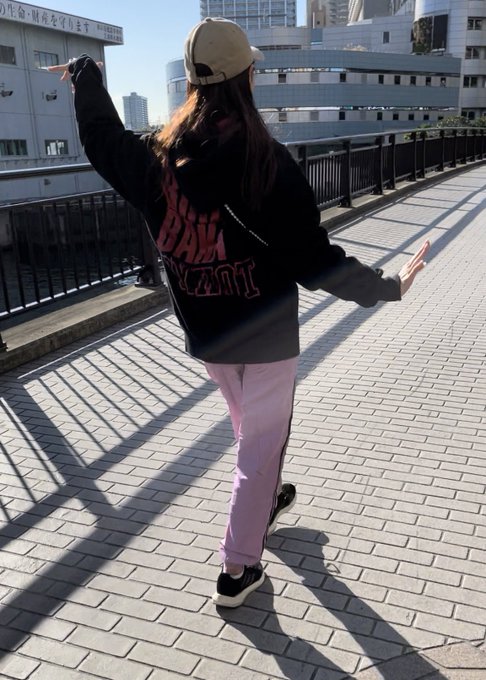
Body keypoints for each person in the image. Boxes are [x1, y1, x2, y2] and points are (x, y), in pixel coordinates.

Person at [48, 17, 430, 608]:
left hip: (208, 333)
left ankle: (265, 502)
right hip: (268, 334)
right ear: (247, 77)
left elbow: (100, 136)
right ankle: (236, 568)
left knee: (252, 438)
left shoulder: (155, 160)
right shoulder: (266, 163)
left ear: (192, 85)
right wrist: (387, 287)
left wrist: (85, 75)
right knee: (259, 446)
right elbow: (314, 260)